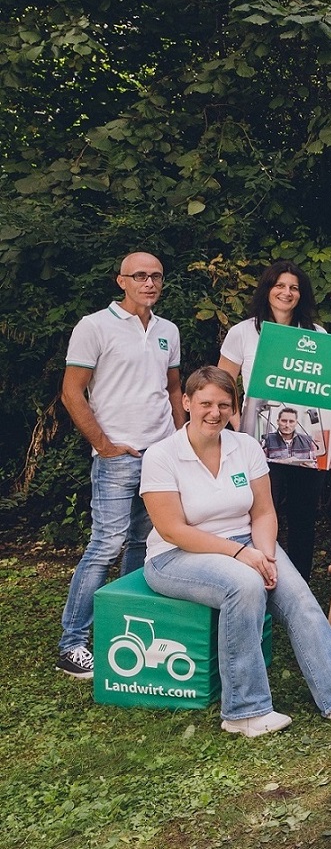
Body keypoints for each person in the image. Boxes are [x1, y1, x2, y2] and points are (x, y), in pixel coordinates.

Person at [140, 366, 331, 737]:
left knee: (298, 594)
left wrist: (266, 555)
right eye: (205, 403)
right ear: (186, 402)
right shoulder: (161, 455)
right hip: (175, 555)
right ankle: (243, 710)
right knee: (244, 585)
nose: (215, 412)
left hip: (249, 543)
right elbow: (172, 529)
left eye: (224, 404)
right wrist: (243, 557)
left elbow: (264, 511)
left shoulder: (246, 446)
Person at [56, 251, 184, 679]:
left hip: (161, 455)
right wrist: (105, 445)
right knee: (106, 544)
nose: (149, 283)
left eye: (156, 277)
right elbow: (72, 392)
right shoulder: (94, 326)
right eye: (140, 276)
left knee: (144, 545)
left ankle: (120, 628)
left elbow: (172, 388)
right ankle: (72, 642)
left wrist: (180, 442)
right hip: (118, 457)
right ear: (121, 281)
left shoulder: (168, 330)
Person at [218, 260, 328, 580]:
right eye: (279, 285)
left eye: (293, 287)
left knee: (303, 519)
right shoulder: (243, 332)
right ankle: (262, 580)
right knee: (260, 516)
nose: (286, 292)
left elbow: (324, 392)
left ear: (301, 294)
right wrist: (239, 425)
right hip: (257, 445)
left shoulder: (316, 335)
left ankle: (300, 587)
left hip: (306, 445)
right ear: (267, 290)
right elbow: (224, 385)